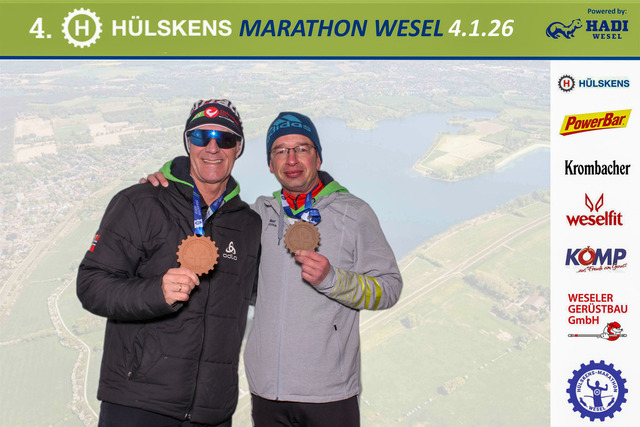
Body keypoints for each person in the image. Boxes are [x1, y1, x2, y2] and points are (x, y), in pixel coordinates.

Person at [145, 111, 403, 426]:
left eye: (302, 148)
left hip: (330, 393)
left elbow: (389, 288)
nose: (291, 159)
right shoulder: (256, 215)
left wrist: (333, 280)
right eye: (280, 151)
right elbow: (209, 236)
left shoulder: (354, 213)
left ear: (318, 157)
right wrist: (166, 184)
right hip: (266, 391)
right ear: (270, 164)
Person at [77, 99, 261, 427]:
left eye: (226, 139)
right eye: (201, 136)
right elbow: (91, 285)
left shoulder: (248, 224)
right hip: (136, 404)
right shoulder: (140, 202)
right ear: (188, 142)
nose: (213, 148)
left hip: (212, 411)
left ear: (239, 148)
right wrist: (155, 293)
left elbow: (267, 291)